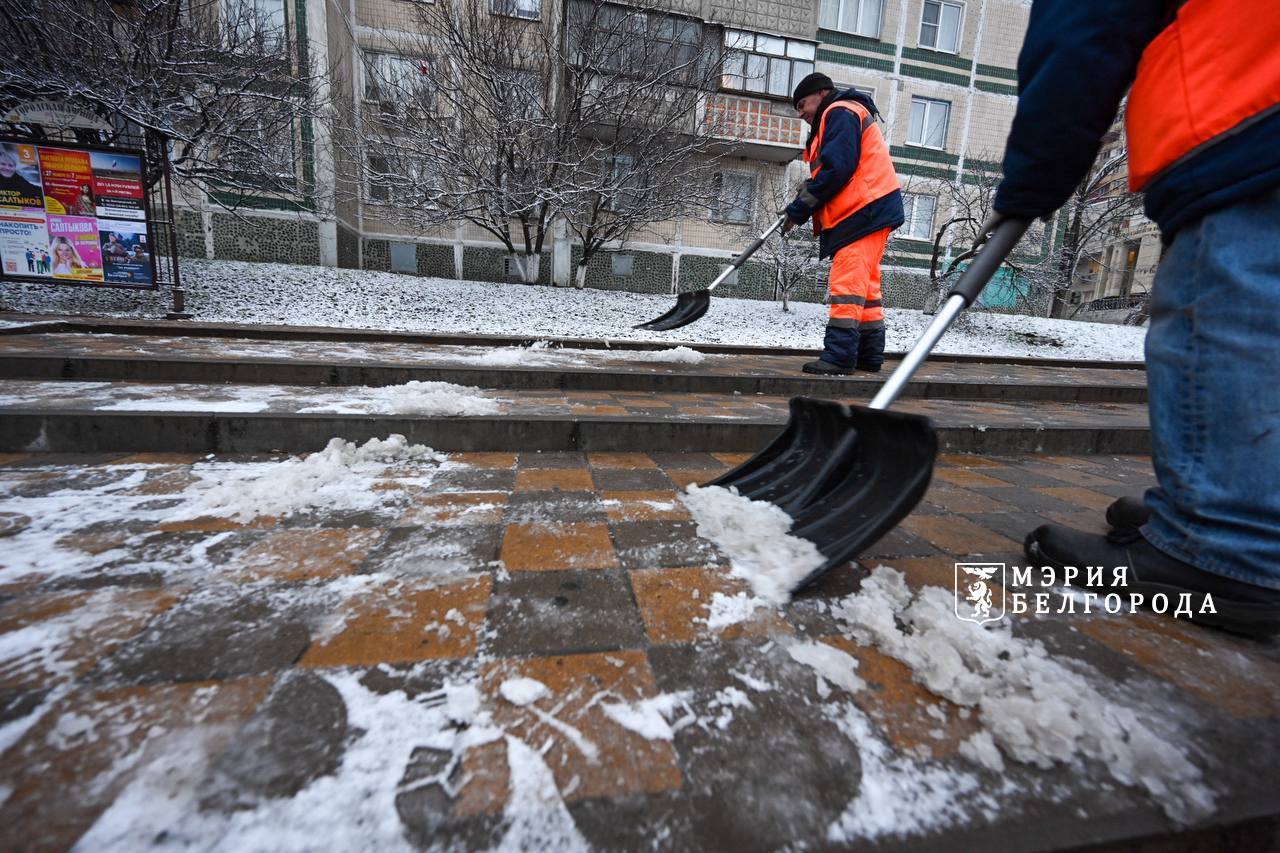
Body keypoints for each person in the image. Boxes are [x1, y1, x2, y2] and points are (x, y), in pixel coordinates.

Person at [995, 0, 1280, 638]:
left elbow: (1086, 24)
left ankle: (1225, 549)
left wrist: (1034, 176)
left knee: (1229, 322)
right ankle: (1240, 514)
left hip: (1251, 109)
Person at [782, 72, 904, 376]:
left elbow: (837, 169)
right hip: (871, 209)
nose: (802, 114)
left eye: (802, 105)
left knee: (847, 285)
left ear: (822, 94)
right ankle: (869, 354)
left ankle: (839, 356)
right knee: (866, 288)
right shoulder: (839, 115)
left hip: (863, 210)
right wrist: (807, 196)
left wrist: (800, 209)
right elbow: (832, 169)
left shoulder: (839, 111)